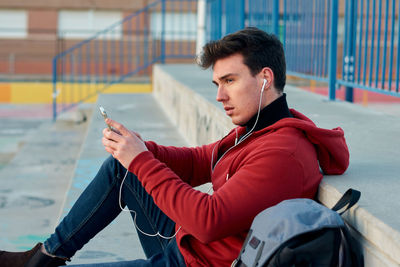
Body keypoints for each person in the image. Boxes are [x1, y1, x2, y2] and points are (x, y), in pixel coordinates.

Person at [0, 27, 349, 267]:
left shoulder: (282, 152)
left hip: (198, 260)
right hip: (186, 246)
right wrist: (138, 148)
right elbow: (200, 160)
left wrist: (141, 160)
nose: (219, 96)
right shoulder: (257, 128)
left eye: (230, 81)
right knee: (123, 167)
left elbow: (209, 221)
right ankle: (43, 256)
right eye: (216, 83)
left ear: (265, 78)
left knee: (135, 164)